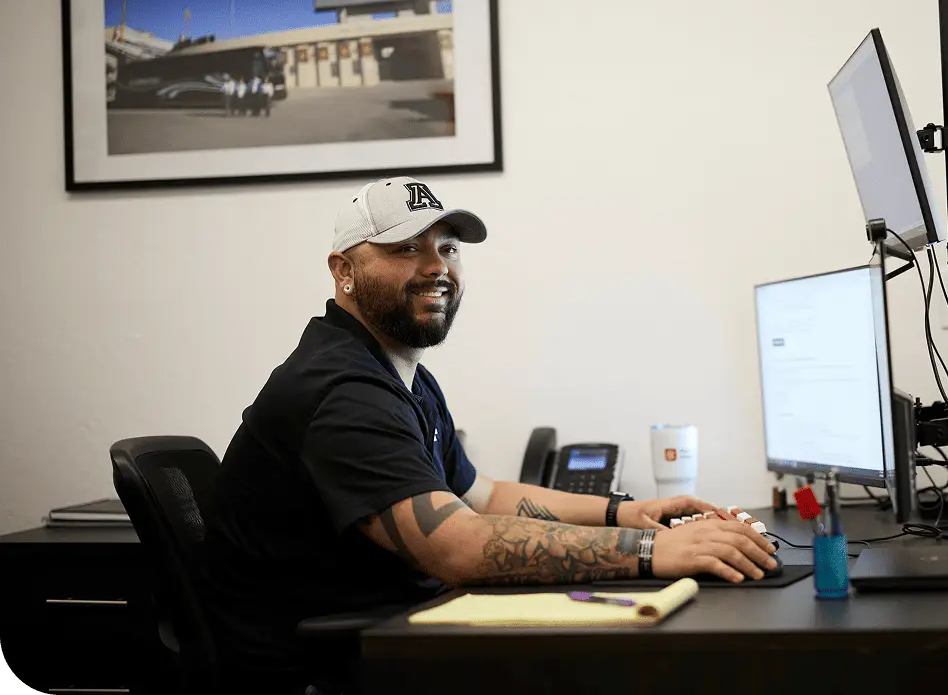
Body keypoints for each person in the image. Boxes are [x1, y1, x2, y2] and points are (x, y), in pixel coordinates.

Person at [201, 177, 776, 694]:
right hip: (315, 672)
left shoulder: (400, 377)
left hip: (381, 641)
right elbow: (458, 546)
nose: (436, 267)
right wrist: (657, 551)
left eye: (447, 249)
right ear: (344, 271)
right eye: (407, 249)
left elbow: (483, 497)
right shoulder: (342, 391)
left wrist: (628, 512)